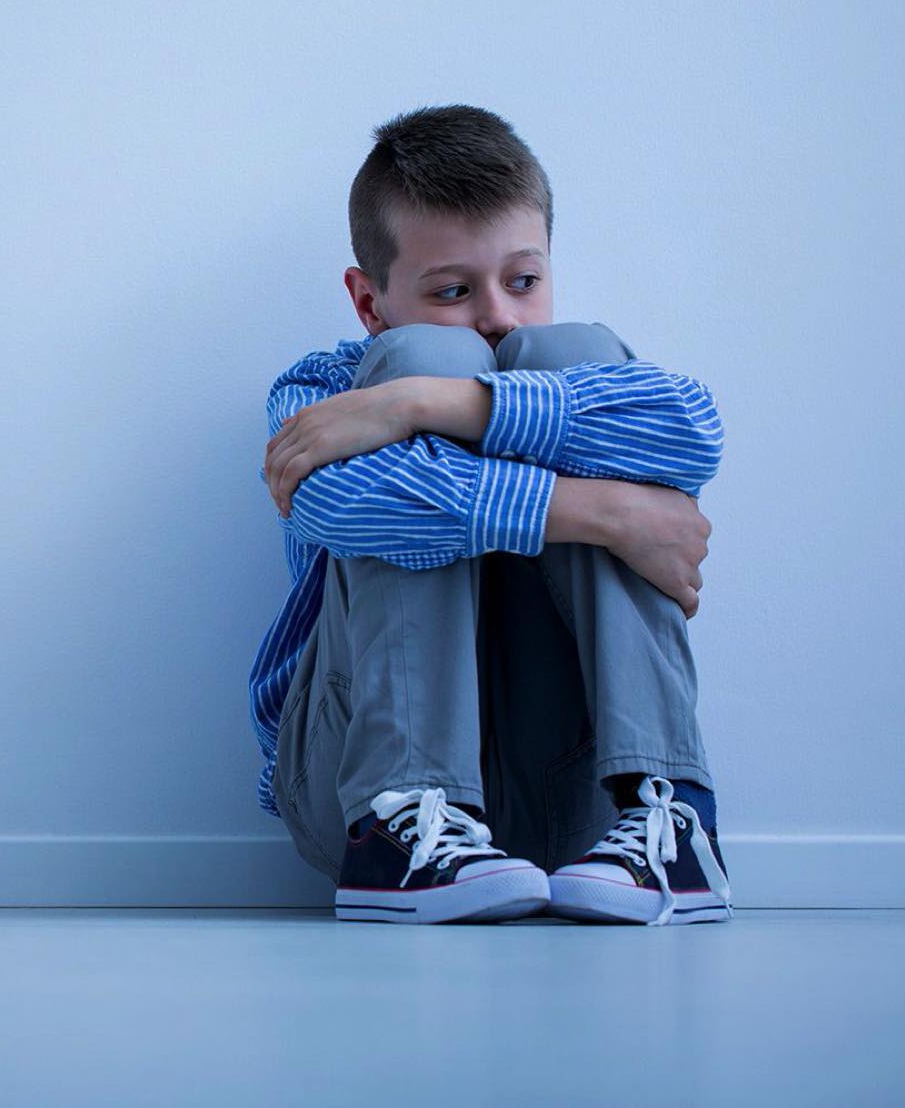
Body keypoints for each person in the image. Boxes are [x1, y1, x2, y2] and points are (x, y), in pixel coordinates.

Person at [250, 104, 734, 926]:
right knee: (417, 358)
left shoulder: (572, 368)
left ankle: (665, 815)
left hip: (576, 797)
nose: (500, 315)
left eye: (524, 280)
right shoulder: (322, 393)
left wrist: (428, 405)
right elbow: (345, 503)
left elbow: (689, 430)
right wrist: (606, 510)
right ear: (369, 301)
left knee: (572, 356)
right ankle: (407, 825)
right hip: (350, 784)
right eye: (451, 289)